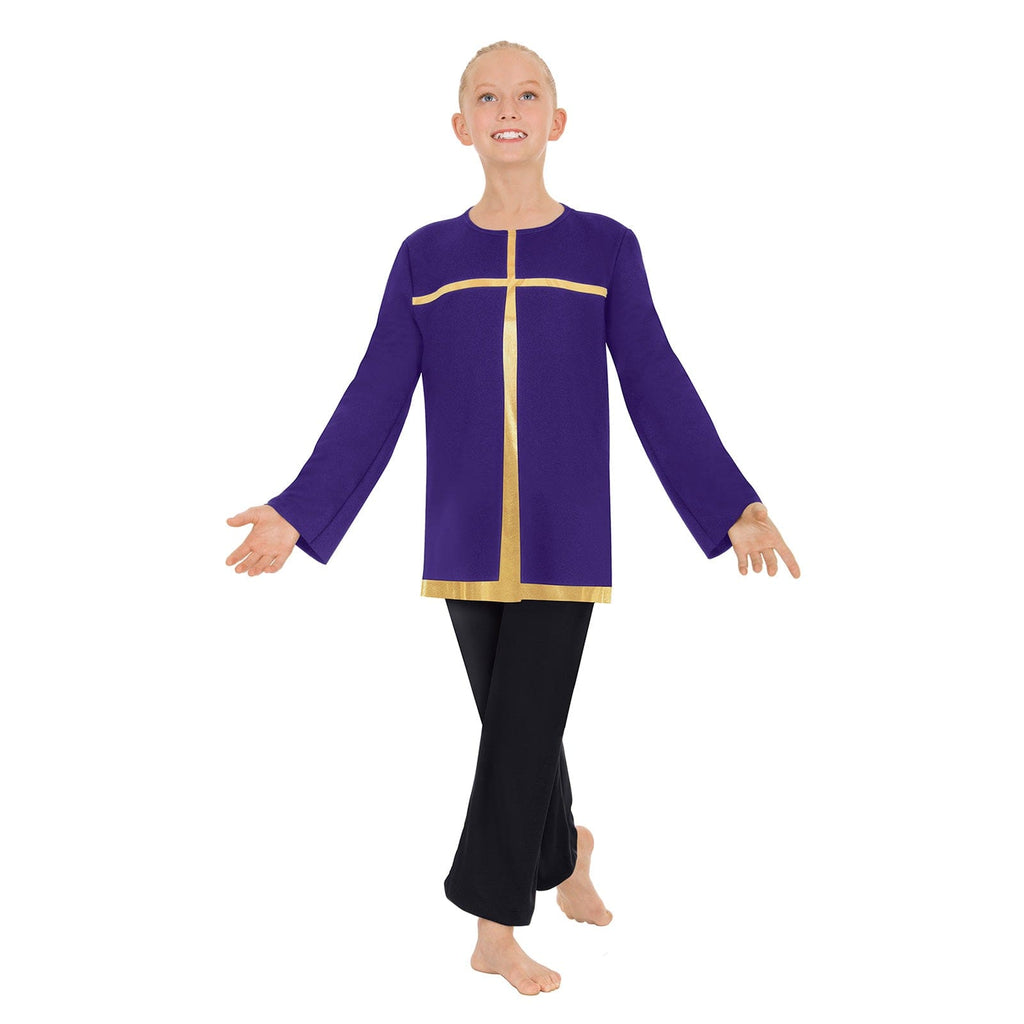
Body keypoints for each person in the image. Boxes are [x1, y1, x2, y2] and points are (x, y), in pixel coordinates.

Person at [225, 40, 800, 996]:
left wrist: (731, 502)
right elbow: (376, 391)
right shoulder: (426, 257)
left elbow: (655, 379)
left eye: (528, 94)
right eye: (488, 97)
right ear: (461, 126)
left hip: (566, 537)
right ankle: (565, 851)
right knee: (517, 723)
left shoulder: (604, 248)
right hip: (462, 535)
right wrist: (300, 511)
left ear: (556, 121)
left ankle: (493, 927)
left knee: (517, 727)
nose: (508, 108)